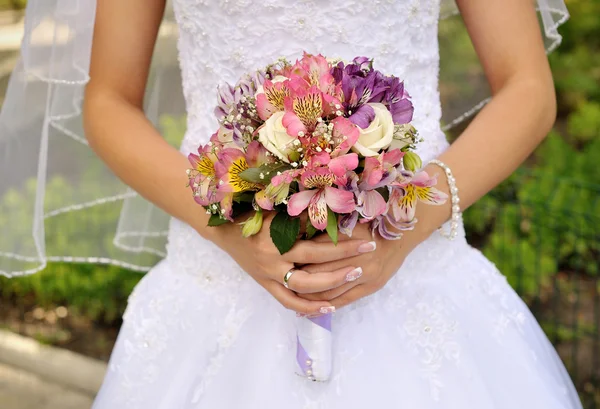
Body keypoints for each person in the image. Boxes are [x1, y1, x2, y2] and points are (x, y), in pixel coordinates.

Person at [5, 0, 581, 407]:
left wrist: (406, 226)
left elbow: (528, 90)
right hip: (218, 281)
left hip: (418, 277)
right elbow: (108, 102)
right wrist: (229, 229)